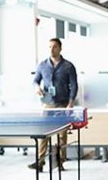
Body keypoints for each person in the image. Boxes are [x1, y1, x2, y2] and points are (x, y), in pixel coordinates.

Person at [30, 38, 77, 171]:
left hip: (63, 104)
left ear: (60, 48)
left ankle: (60, 161)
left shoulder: (68, 66)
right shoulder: (42, 65)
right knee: (44, 133)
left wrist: (70, 103)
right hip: (48, 104)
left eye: (54, 47)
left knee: (62, 134)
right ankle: (40, 162)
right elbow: (35, 81)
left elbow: (74, 85)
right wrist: (36, 87)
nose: (51, 49)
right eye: (49, 46)